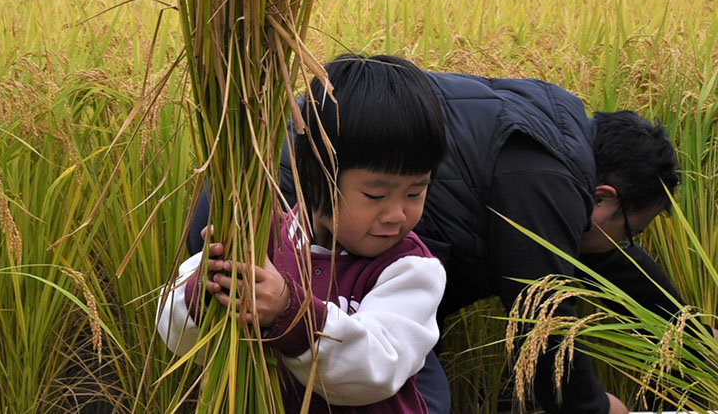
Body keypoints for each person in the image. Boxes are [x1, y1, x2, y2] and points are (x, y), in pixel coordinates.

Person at [187, 58, 692, 414]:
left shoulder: (551, 131)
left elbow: (604, 258)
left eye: (416, 191)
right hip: (272, 208)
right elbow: (541, 316)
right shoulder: (548, 179)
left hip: (252, 191)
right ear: (602, 197)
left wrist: (687, 331)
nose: (624, 247)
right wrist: (594, 408)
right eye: (631, 232)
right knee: (403, 387)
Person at [158, 55, 449, 413]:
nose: (397, 214)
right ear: (314, 179)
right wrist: (210, 286)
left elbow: (377, 368)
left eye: (415, 193)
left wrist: (290, 313)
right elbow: (174, 332)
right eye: (375, 195)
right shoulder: (263, 238)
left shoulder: (411, 271)